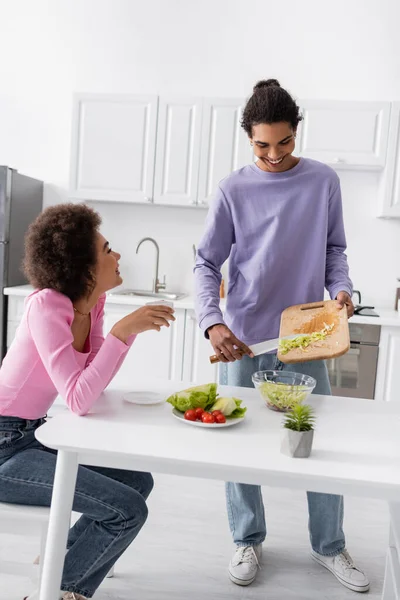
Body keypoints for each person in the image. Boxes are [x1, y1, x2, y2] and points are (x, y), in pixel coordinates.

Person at [194, 79, 369, 593]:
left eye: (284, 143)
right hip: (244, 338)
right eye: (261, 145)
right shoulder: (232, 189)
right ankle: (246, 539)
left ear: (297, 133)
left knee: (317, 444)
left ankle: (330, 546)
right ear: (248, 138)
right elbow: (206, 262)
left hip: (306, 338)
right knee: (239, 447)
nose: (273, 155)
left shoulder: (322, 182)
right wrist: (212, 321)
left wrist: (341, 288)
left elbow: (335, 250)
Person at [0, 203, 175, 600]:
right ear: (83, 264)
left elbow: (91, 382)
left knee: (138, 482)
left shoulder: (91, 305)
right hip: (3, 446)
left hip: (31, 435)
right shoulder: (46, 305)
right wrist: (122, 332)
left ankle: (59, 562)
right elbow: (79, 399)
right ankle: (60, 591)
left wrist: (119, 333)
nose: (117, 255)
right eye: (107, 249)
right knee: (128, 511)